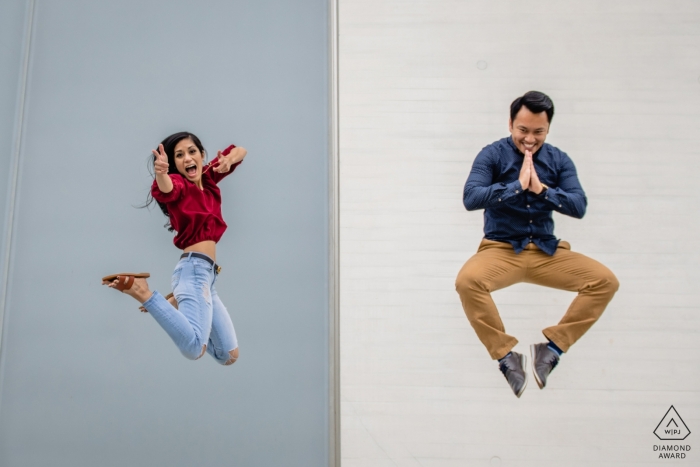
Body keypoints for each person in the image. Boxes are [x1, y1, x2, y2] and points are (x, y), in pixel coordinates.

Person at [455, 91, 619, 397]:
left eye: (538, 132)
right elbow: (471, 197)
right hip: (501, 249)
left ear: (548, 129)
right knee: (467, 281)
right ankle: (506, 357)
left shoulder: (559, 159)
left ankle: (552, 349)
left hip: (547, 251)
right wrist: (516, 186)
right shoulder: (491, 155)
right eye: (523, 130)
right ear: (510, 124)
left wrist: (542, 190)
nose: (530, 139)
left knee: (605, 281)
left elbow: (578, 205)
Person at [102, 132, 247, 365]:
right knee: (193, 349)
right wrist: (161, 173)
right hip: (193, 270)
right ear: (174, 164)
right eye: (179, 155)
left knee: (228, 355)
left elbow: (240, 150)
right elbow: (167, 188)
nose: (187, 158)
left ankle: (175, 302)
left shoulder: (208, 179)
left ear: (202, 155)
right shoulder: (180, 185)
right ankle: (141, 291)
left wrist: (230, 160)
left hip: (207, 276)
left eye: (191, 152)